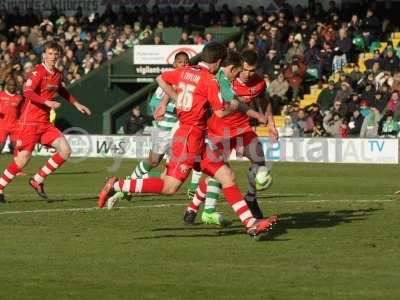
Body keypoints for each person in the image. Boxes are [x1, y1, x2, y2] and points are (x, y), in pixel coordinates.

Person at [98, 42, 277, 237]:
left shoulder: (185, 71)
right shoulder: (210, 81)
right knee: (169, 186)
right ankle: (117, 185)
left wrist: (178, 100)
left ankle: (251, 224)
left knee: (227, 175)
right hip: (189, 138)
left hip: (196, 138)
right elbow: (220, 112)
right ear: (217, 62)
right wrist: (235, 104)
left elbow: (160, 78)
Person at [186, 50, 278, 223]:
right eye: (245, 69)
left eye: (253, 70)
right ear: (237, 66)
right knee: (218, 174)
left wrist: (271, 123)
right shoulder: (223, 79)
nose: (248, 74)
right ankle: (193, 207)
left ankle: (251, 198)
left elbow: (264, 101)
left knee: (259, 159)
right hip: (219, 131)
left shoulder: (258, 83)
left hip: (242, 128)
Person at [0, 41, 91, 202]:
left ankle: (37, 180)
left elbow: (61, 90)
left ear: (59, 55)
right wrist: (47, 103)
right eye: (50, 53)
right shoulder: (38, 72)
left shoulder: (57, 73)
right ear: (44, 55)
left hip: (45, 124)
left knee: (65, 150)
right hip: (30, 122)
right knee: (22, 160)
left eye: (55, 54)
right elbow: (27, 91)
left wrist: (77, 104)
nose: (53, 56)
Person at [0, 77, 23, 153]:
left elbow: (21, 111)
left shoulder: (19, 98)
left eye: (14, 85)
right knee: (1, 145)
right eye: (10, 85)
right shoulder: (1, 95)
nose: (12, 87)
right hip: (2, 125)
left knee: (17, 148)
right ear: (7, 85)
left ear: (16, 86)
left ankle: (16, 163)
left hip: (15, 126)